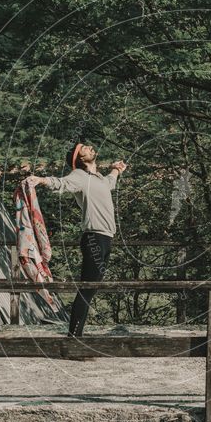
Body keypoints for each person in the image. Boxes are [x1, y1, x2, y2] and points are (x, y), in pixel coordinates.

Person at [30, 143, 127, 336]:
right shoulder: (79, 176)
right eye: (84, 148)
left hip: (106, 238)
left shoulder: (98, 178)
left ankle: (76, 334)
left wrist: (116, 169)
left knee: (91, 288)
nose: (90, 147)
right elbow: (61, 183)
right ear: (80, 159)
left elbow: (109, 182)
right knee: (87, 288)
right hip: (94, 238)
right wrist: (40, 180)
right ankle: (74, 336)